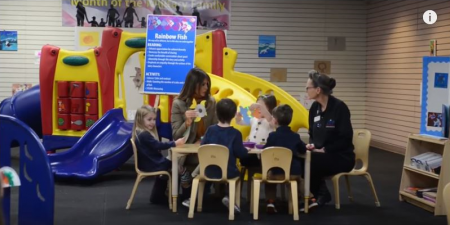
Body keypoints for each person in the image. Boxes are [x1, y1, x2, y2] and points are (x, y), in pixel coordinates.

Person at [302, 70, 355, 211]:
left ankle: (321, 194)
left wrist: (325, 149)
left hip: (341, 156)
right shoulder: (314, 108)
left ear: (318, 90)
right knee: (302, 157)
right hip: (321, 154)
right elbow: (312, 132)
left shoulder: (339, 107)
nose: (306, 90)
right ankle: (320, 193)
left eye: (308, 88)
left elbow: (345, 138)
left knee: (309, 162)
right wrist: (313, 145)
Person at [171, 68, 218, 206]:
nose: (206, 87)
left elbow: (215, 127)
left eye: (207, 84)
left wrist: (203, 140)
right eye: (202, 84)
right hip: (186, 150)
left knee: (216, 156)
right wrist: (186, 123)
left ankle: (207, 196)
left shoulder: (211, 102)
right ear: (193, 84)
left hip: (205, 147)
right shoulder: (179, 104)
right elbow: (176, 135)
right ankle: (190, 192)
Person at [198, 98, 249, 213]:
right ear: (233, 115)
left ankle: (197, 199)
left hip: (209, 170)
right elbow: (241, 154)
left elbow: (203, 146)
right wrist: (246, 150)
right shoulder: (236, 134)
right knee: (237, 173)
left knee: (214, 172)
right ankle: (229, 197)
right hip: (228, 172)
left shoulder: (210, 130)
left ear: (216, 113)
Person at [132, 105, 186, 204]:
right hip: (153, 164)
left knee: (173, 167)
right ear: (140, 119)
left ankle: (159, 195)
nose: (152, 122)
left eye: (154, 119)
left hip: (149, 163)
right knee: (180, 168)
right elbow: (159, 145)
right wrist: (175, 143)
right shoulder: (144, 135)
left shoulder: (139, 132)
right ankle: (181, 196)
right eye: (149, 119)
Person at [262, 104, 306, 214]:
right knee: (300, 181)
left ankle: (271, 201)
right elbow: (303, 150)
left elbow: (266, 151)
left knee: (269, 181)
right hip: (293, 173)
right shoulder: (295, 136)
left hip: (276, 173)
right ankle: (308, 198)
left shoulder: (272, 136)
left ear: (275, 121)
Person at [235, 94, 277, 170]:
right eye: (257, 107)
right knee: (243, 158)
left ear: (270, 108)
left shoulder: (271, 120)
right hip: (252, 153)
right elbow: (239, 121)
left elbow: (270, 119)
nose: (259, 109)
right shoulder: (253, 119)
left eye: (261, 107)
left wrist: (261, 108)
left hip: (265, 154)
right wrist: (240, 115)